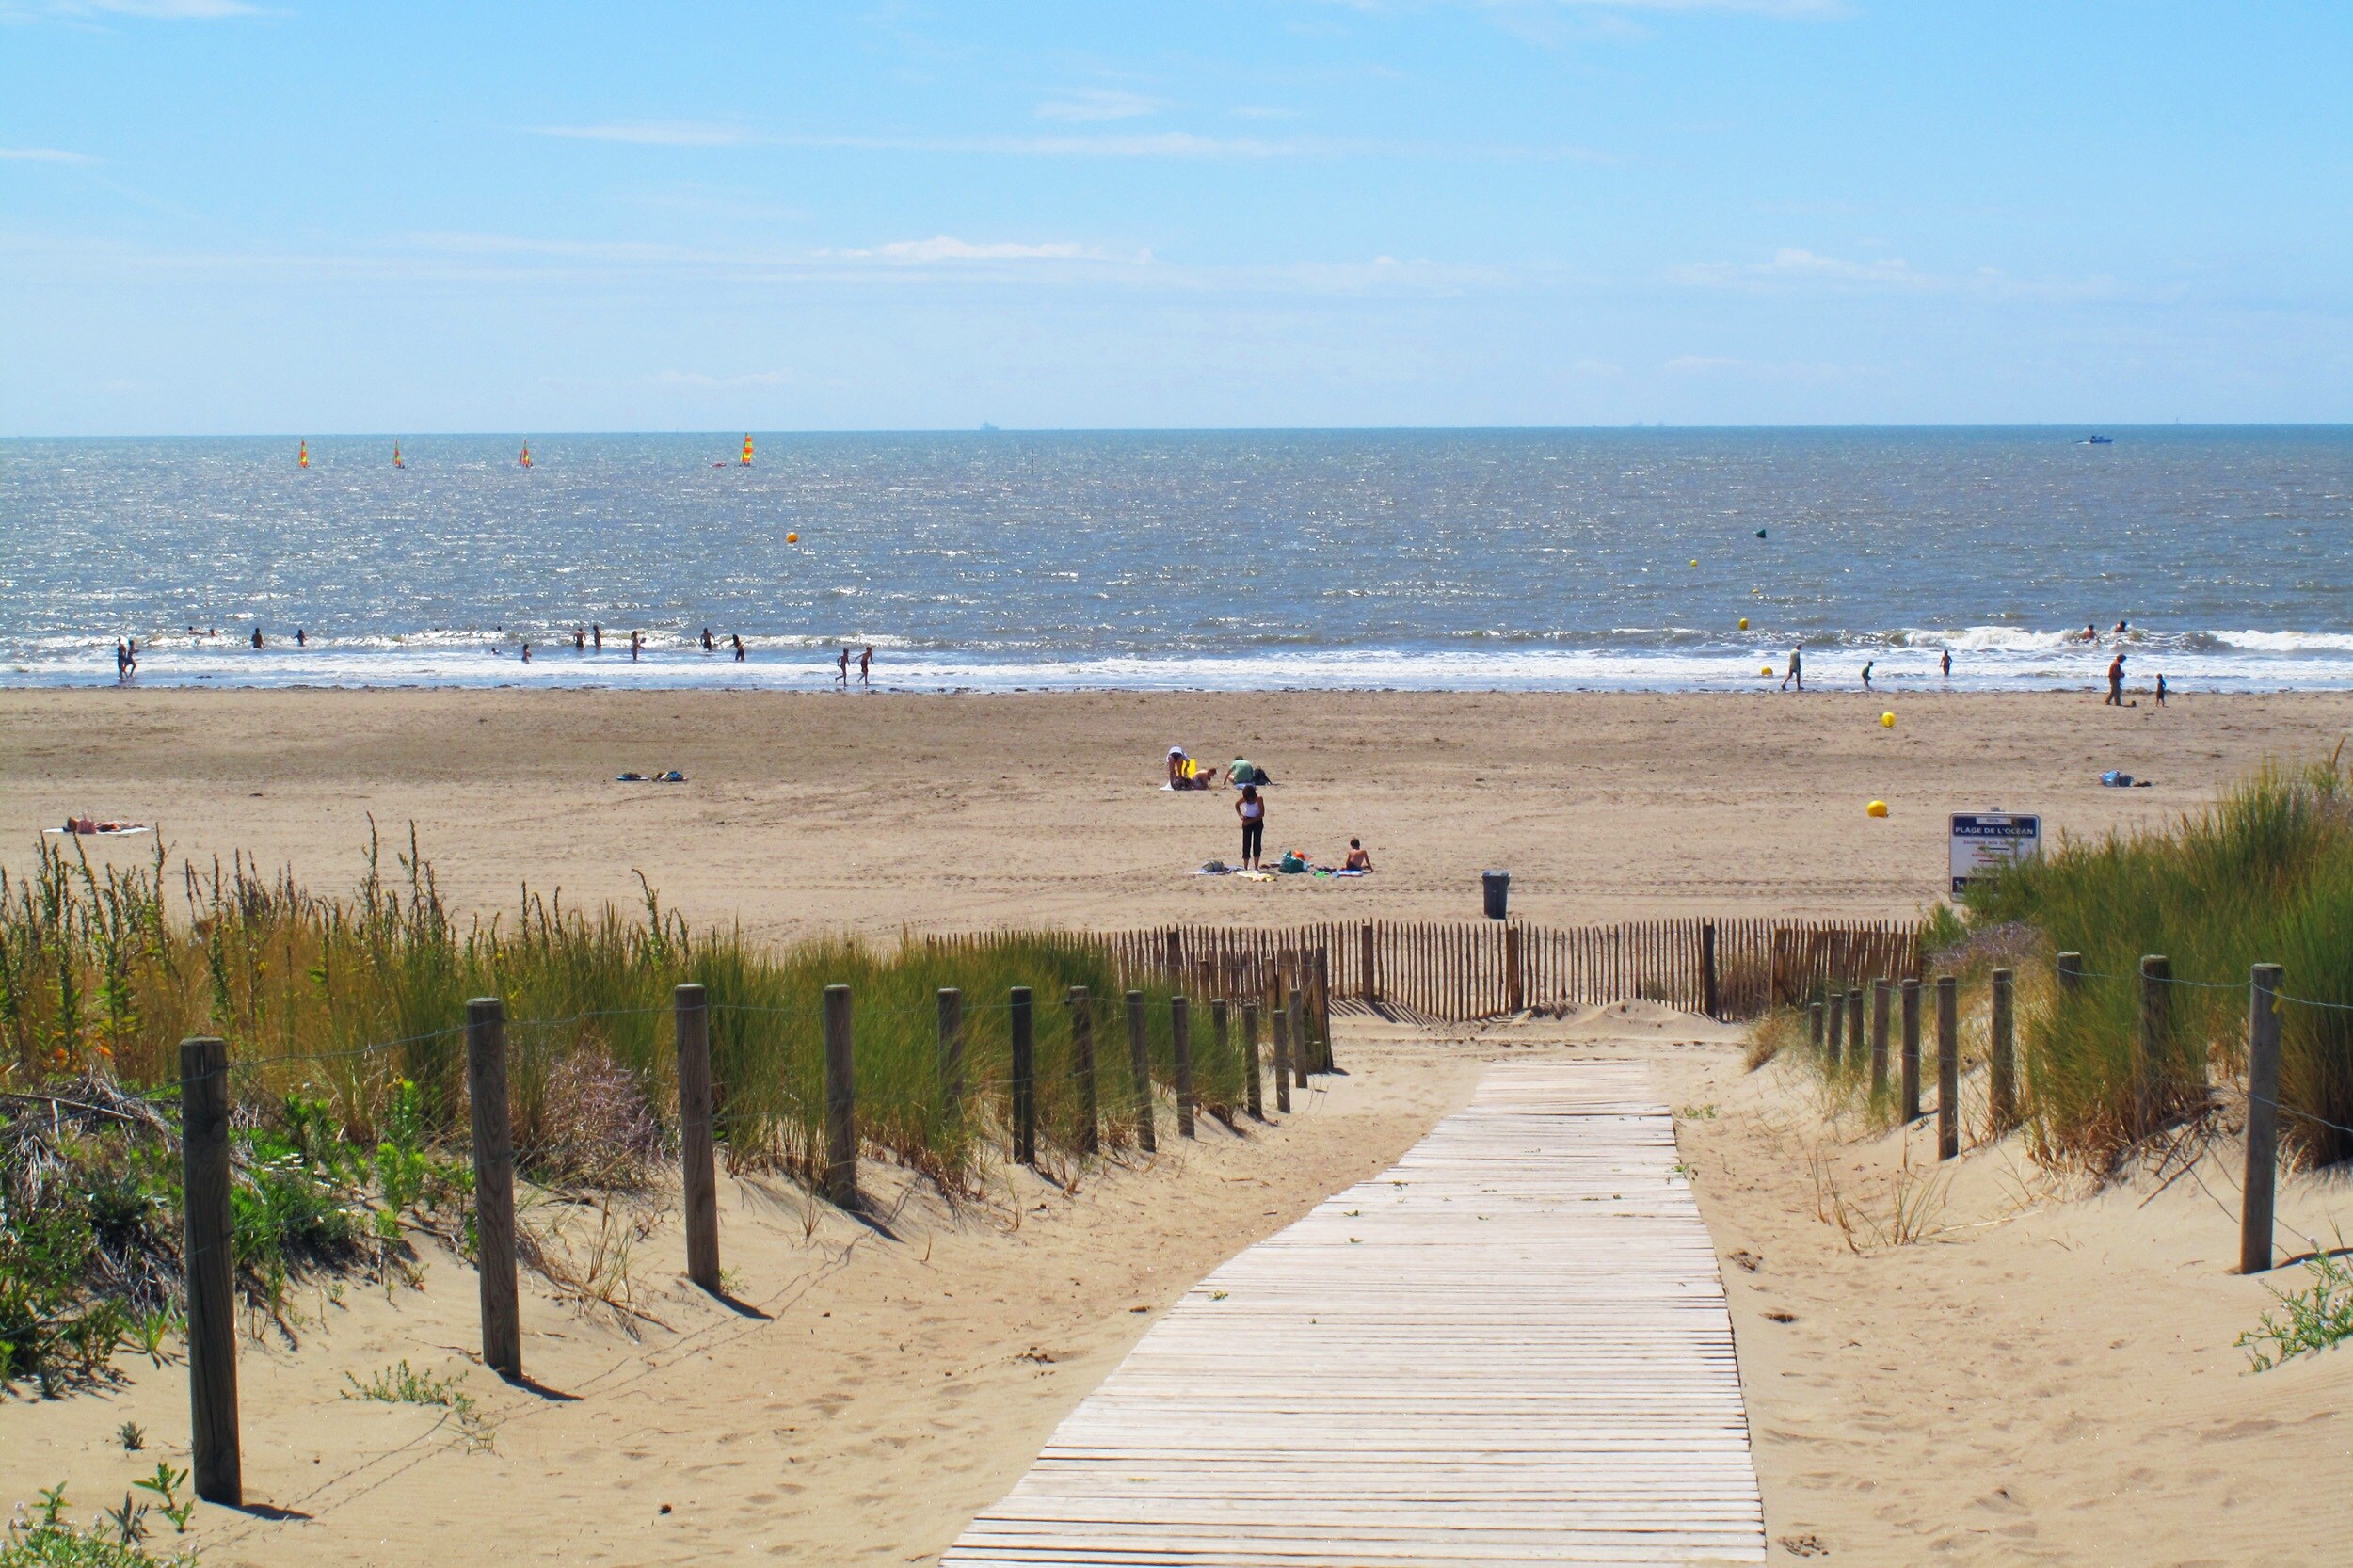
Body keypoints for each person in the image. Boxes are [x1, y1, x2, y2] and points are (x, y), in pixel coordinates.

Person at [1235, 784, 1267, 872]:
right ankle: (1245, 866)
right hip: (1247, 820)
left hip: (1257, 821)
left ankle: (1256, 866)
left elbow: (1261, 814)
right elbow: (1237, 805)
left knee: (1257, 843)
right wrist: (1241, 815)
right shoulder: (1245, 798)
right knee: (1246, 844)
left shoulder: (1259, 798)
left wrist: (1250, 821)